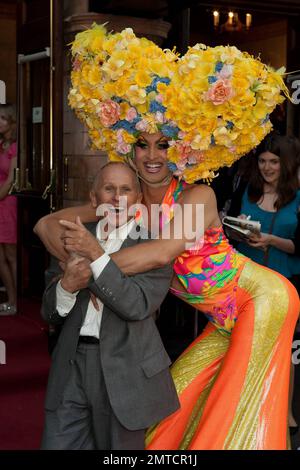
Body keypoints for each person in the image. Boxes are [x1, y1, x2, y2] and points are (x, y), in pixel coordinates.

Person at [35, 25, 299, 449]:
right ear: (129, 148)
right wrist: (78, 264)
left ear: (180, 148)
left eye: (164, 144)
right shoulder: (127, 199)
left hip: (261, 299)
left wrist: (92, 263)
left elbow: (163, 251)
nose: (153, 155)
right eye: (142, 144)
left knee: (234, 415)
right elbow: (46, 225)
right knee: (171, 412)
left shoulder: (199, 195)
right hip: (223, 319)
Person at [40, 162, 179, 450]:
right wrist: (67, 287)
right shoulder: (73, 239)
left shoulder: (154, 244)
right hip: (71, 364)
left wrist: (95, 255)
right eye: (109, 189)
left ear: (138, 200)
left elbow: (135, 306)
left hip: (126, 370)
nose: (117, 198)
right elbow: (49, 311)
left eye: (126, 190)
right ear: (94, 199)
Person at [226, 133, 300, 436]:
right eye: (262, 161)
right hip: (245, 280)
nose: (267, 167)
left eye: (274, 161)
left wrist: (270, 240)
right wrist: (239, 230)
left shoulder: (297, 197)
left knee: (281, 346)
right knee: (242, 342)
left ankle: (286, 413)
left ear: (286, 164)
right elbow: (226, 231)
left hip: (284, 283)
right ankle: (242, 405)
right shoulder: (248, 189)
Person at [0, 104, 17, 316]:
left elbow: (13, 178)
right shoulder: (1, 144)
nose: (0, 122)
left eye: (3, 118)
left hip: (7, 202)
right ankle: (9, 299)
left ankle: (15, 302)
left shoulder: (15, 146)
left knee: (11, 253)